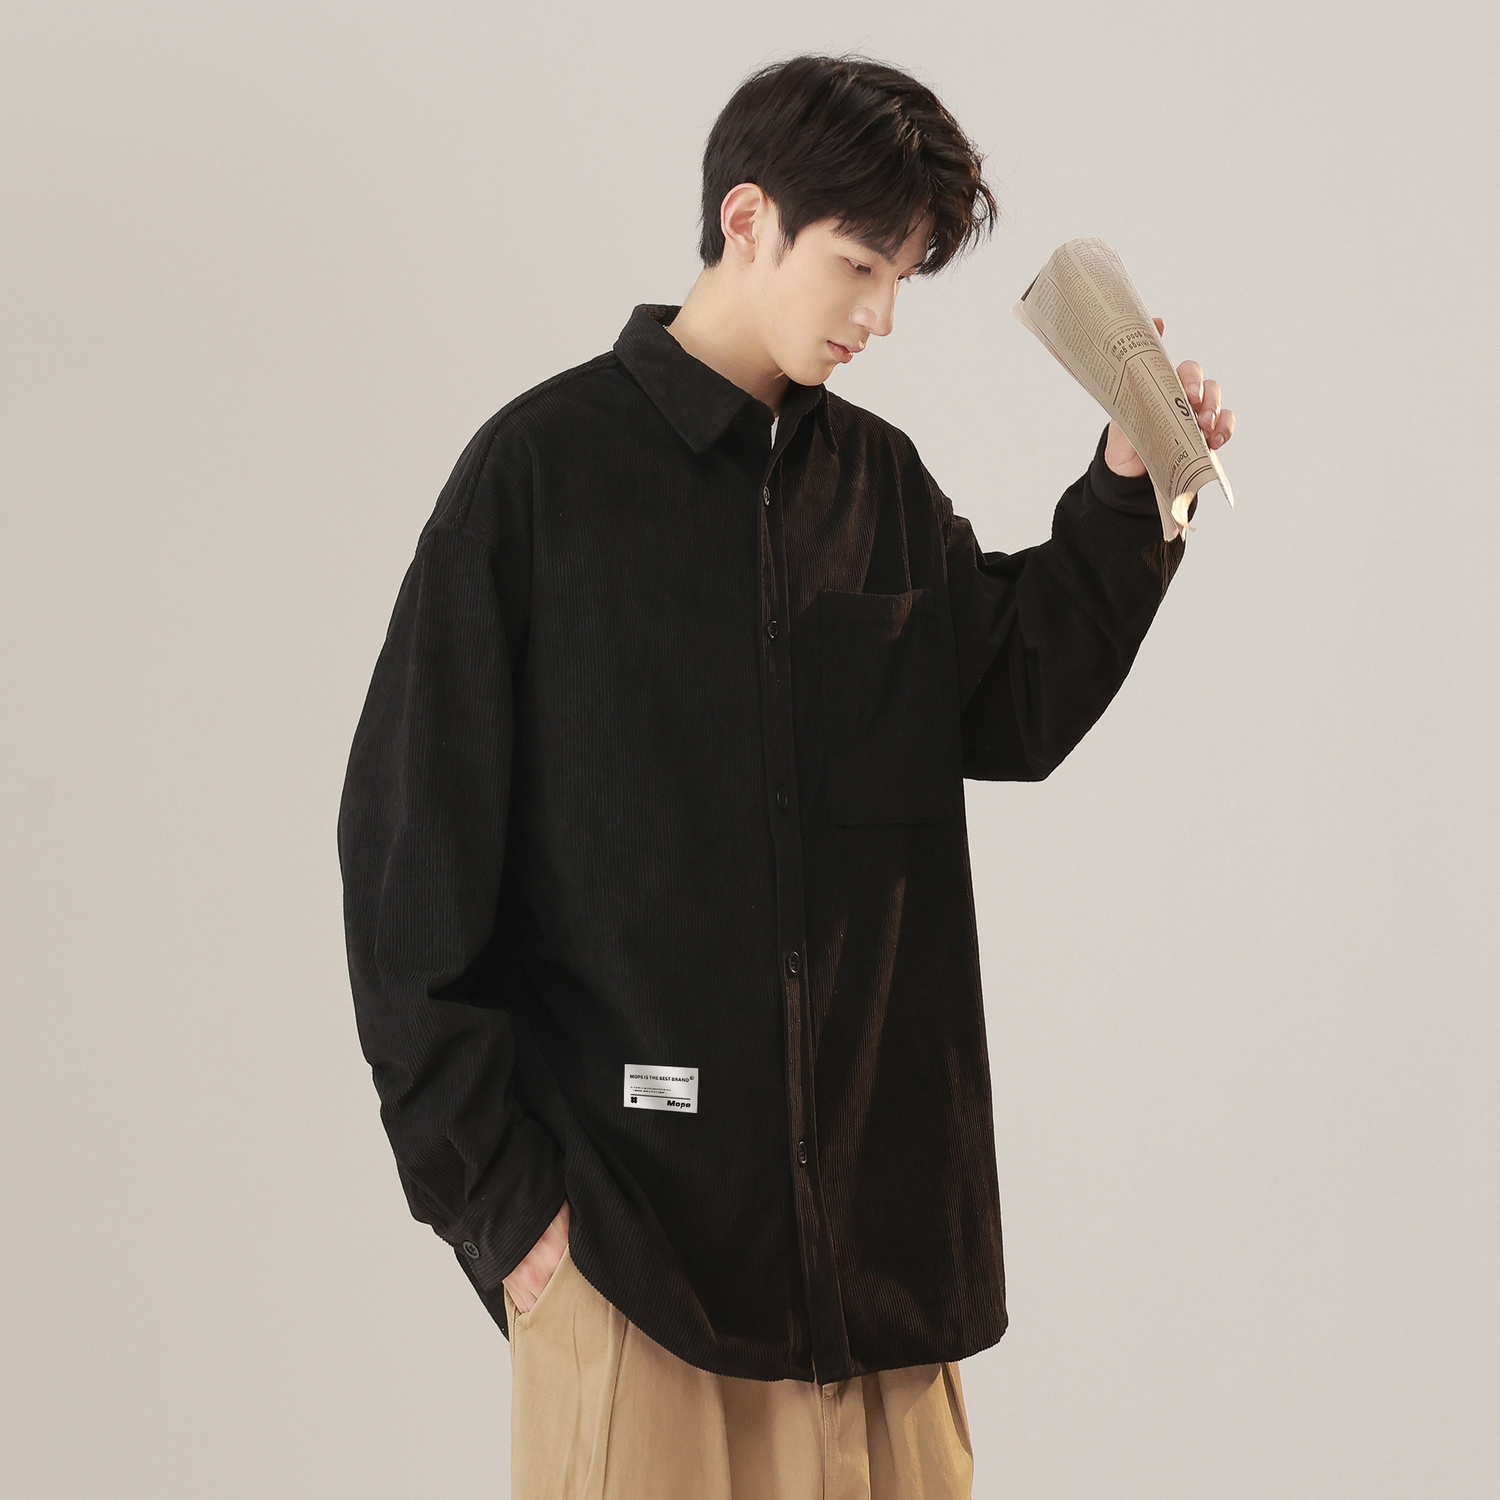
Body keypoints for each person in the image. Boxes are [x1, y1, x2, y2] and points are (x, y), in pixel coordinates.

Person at [337, 50, 1235, 1500]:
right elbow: (407, 873)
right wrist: (502, 1206)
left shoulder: (880, 485)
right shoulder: (536, 480)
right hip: (636, 1267)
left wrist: (1129, 488)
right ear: (746, 218)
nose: (881, 316)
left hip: (879, 1278)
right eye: (860, 265)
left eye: (905, 278)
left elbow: (1011, 701)